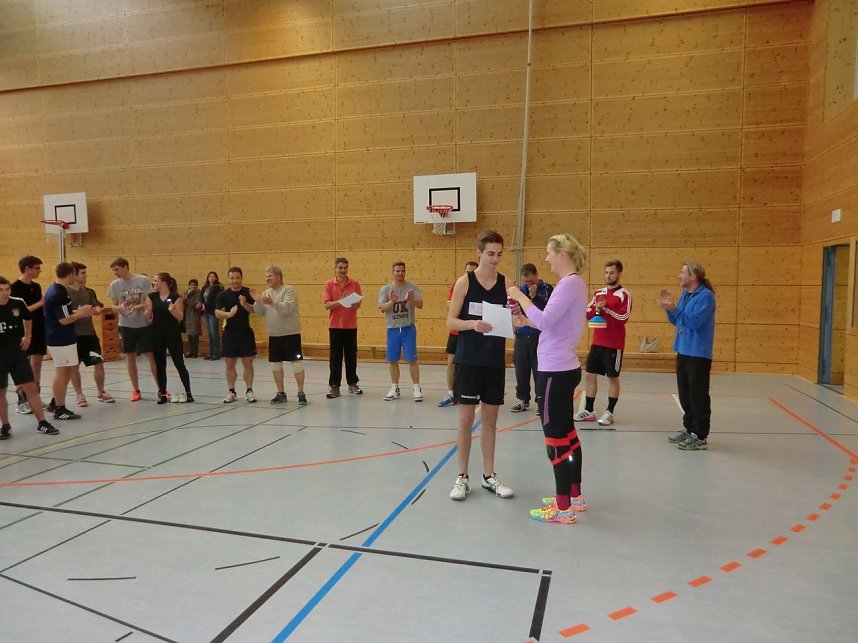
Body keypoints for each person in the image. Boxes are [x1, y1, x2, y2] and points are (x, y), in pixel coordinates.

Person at [507, 234, 588, 524]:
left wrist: (519, 296)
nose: (546, 259)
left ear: (562, 255)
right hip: (562, 365)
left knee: (555, 439)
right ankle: (574, 495)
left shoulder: (569, 284)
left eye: (549, 253)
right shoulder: (573, 285)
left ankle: (562, 507)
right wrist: (524, 319)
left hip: (555, 370)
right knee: (567, 435)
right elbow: (550, 323)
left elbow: (545, 321)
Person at [447, 230, 514, 501]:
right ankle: (462, 477)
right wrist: (472, 324)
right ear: (479, 252)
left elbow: (514, 317)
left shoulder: (507, 284)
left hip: (494, 362)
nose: (495, 259)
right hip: (468, 360)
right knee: (465, 420)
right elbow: (451, 321)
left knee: (490, 421)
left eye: (499, 254)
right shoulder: (464, 282)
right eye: (490, 254)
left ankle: (489, 476)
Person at [658, 261, 717, 451]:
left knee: (697, 395)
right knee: (685, 393)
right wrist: (669, 309)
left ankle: (700, 435)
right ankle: (689, 428)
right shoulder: (685, 295)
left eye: (682, 272)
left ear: (693, 276)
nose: (679, 276)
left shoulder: (706, 297)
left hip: (698, 353)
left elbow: (694, 322)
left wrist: (675, 309)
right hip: (683, 350)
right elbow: (678, 321)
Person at [574, 260, 632, 428]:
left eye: (612, 273)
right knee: (590, 375)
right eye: (606, 272)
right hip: (597, 342)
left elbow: (623, 318)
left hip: (614, 344)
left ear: (619, 274)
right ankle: (589, 410)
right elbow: (587, 313)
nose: (608, 276)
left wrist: (606, 309)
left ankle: (609, 412)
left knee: (612, 378)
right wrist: (597, 308)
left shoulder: (624, 295)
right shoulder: (599, 292)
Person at [0, 275, 58, 437]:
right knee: (1, 392)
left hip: (17, 354)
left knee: (31, 387)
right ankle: (5, 426)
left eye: (7, 289)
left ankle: (42, 422)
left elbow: (28, 318)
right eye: (1, 290)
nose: (5, 293)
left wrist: (28, 336)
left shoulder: (17, 303)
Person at [45, 262, 97, 421]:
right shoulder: (58, 293)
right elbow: (64, 320)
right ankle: (59, 409)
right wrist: (81, 313)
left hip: (64, 337)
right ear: (70, 274)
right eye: (74, 274)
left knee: (67, 370)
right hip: (60, 338)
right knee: (62, 372)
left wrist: (79, 312)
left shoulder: (56, 289)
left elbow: (64, 313)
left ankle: (55, 402)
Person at [252, 266, 307, 406]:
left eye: (269, 276)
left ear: (279, 277)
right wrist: (258, 301)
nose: (267, 278)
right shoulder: (266, 293)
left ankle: (301, 393)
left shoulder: (289, 290)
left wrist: (272, 302)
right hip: (274, 336)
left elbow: (287, 309)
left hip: (290, 334)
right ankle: (281, 393)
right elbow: (258, 312)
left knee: (297, 365)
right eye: (266, 276)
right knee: (275, 365)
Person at [107, 257, 157, 401]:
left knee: (151, 355)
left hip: (144, 324)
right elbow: (113, 306)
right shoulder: (114, 285)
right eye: (113, 270)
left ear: (125, 267)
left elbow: (150, 301)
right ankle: (136, 389)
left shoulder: (142, 280)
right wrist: (120, 308)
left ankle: (161, 388)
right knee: (130, 357)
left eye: (117, 269)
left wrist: (140, 307)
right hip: (126, 325)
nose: (115, 273)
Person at [68, 262, 115, 406]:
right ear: (74, 274)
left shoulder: (89, 292)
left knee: (98, 363)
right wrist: (78, 312)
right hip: (72, 337)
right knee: (74, 366)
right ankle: (79, 395)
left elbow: (96, 308)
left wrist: (95, 310)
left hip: (89, 335)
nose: (85, 276)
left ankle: (101, 392)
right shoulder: (63, 292)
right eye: (83, 273)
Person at [378, 261, 424, 402]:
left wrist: (411, 299)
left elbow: (420, 304)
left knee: (411, 359)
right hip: (392, 329)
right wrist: (392, 301)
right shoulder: (386, 289)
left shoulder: (412, 287)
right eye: (397, 271)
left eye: (402, 270)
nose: (400, 273)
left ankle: (416, 387)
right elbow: (382, 308)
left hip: (408, 328)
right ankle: (395, 387)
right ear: (393, 272)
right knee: (393, 360)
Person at [510, 263, 552, 414]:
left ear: (536, 275)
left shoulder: (547, 289)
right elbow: (516, 310)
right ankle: (523, 399)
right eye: (526, 281)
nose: (528, 284)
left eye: (530, 281)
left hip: (538, 336)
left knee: (539, 370)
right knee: (521, 369)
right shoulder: (521, 290)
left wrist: (534, 297)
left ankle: (541, 400)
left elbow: (546, 312)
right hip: (522, 335)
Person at [145, 273, 193, 404]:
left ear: (164, 283)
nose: (153, 283)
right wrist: (147, 310)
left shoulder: (175, 298)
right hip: (156, 334)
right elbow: (147, 317)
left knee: (179, 364)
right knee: (160, 365)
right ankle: (163, 394)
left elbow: (180, 317)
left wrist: (172, 310)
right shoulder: (151, 297)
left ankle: (189, 393)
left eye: (155, 281)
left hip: (172, 334)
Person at [437, 261, 478, 407]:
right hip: (456, 331)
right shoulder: (458, 285)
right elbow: (450, 305)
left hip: (473, 332)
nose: (469, 275)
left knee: (471, 364)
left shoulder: (481, 287)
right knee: (451, 363)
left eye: (472, 272)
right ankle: (451, 394)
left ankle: (472, 393)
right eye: (467, 272)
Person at [323, 257, 363, 399]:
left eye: (345, 267)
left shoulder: (355, 284)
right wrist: (341, 301)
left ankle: (352, 383)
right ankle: (334, 386)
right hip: (335, 326)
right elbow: (327, 305)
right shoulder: (329, 284)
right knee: (335, 357)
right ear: (335, 268)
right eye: (340, 268)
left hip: (351, 326)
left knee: (351, 356)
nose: (343, 270)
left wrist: (354, 304)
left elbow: (358, 304)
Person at [11, 255, 46, 415]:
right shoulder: (14, 288)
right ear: (27, 268)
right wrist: (40, 303)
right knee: (21, 367)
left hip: (38, 328)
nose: (39, 271)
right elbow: (19, 313)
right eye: (37, 268)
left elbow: (39, 309)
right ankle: (22, 400)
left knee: (37, 364)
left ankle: (35, 397)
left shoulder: (36, 286)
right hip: (22, 332)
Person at [216, 266, 256, 403]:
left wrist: (245, 304)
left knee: (248, 363)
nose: (235, 281)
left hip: (246, 332)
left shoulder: (248, 292)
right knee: (229, 364)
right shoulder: (223, 295)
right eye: (232, 278)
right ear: (229, 279)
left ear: (241, 278)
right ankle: (231, 391)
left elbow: (255, 310)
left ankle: (249, 390)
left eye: (237, 278)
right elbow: (217, 312)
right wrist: (228, 314)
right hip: (229, 334)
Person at [201, 271, 223, 360]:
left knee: (214, 333)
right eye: (210, 276)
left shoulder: (218, 288)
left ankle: (216, 353)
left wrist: (206, 304)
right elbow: (201, 297)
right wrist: (201, 303)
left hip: (213, 312)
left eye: (213, 276)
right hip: (205, 312)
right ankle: (210, 353)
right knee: (209, 334)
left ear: (216, 278)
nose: (211, 278)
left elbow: (217, 300)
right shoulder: (205, 287)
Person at [184, 279, 203, 358]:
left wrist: (186, 300)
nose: (193, 286)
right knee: (190, 335)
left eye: (194, 285)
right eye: (191, 285)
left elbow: (196, 305)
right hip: (187, 316)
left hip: (195, 316)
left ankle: (195, 352)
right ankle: (191, 351)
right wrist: (185, 299)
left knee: (195, 335)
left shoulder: (198, 294)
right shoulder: (186, 293)